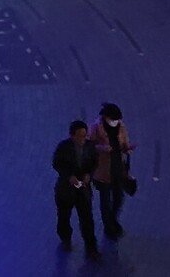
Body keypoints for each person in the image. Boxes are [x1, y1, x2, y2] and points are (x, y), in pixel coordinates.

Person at [52, 120, 100, 259]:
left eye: (84, 135)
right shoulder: (63, 147)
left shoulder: (90, 146)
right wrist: (69, 176)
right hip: (66, 190)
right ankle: (65, 238)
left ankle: (91, 248)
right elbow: (57, 163)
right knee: (64, 217)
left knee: (87, 219)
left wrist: (88, 175)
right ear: (72, 136)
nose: (82, 139)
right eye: (79, 136)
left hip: (83, 189)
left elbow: (94, 162)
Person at [89, 102, 135, 240]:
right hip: (102, 170)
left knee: (118, 198)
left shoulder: (121, 126)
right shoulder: (96, 127)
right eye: (113, 119)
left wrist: (128, 148)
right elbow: (90, 145)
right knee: (105, 200)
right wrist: (102, 148)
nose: (115, 122)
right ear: (106, 117)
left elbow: (125, 142)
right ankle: (108, 226)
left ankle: (112, 219)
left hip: (118, 167)